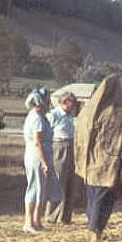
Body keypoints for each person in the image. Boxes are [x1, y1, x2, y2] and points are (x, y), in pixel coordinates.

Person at [75, 75, 122, 242]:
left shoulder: (88, 111)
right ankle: (96, 233)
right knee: (105, 199)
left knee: (92, 197)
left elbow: (79, 135)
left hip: (90, 163)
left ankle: (93, 230)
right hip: (109, 164)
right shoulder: (120, 112)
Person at [22, 88, 64, 233]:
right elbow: (37, 143)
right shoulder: (37, 119)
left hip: (39, 155)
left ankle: (36, 222)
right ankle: (30, 223)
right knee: (35, 189)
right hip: (37, 157)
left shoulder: (38, 116)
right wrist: (45, 163)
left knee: (40, 190)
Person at [45, 92, 77, 225]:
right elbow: (46, 134)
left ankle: (65, 217)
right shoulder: (54, 115)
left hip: (71, 146)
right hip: (59, 146)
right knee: (58, 180)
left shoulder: (70, 116)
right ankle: (52, 215)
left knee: (70, 182)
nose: (73, 106)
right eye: (71, 103)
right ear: (64, 102)